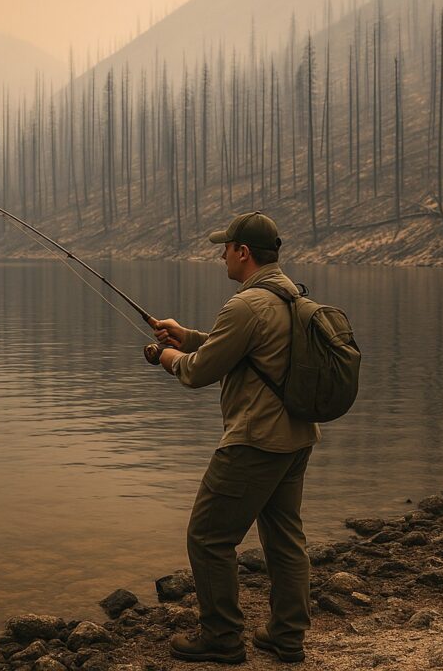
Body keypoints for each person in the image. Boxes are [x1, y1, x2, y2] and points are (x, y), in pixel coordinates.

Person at [150, 211, 319, 665]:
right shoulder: (291, 295)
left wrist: (167, 357)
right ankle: (287, 637)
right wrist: (188, 336)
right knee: (285, 538)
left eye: (225, 248)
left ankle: (222, 637)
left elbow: (198, 372)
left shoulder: (245, 305)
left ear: (243, 252)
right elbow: (247, 349)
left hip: (254, 441)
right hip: (297, 437)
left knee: (208, 537)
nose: (221, 255)